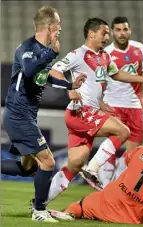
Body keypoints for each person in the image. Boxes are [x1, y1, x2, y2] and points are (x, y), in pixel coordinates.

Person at [45, 17, 143, 204]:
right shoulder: (79, 54)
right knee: (123, 130)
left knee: (75, 164)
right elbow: (54, 70)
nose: (107, 37)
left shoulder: (104, 56)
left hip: (88, 112)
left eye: (108, 33)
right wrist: (70, 88)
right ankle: (93, 169)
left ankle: (40, 203)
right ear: (91, 33)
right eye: (104, 32)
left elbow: (117, 74)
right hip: (81, 112)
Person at [1, 6, 86, 222]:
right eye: (58, 26)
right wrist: (52, 53)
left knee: (26, 167)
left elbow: (43, 76)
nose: (60, 30)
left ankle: (40, 208)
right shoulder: (28, 49)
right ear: (49, 26)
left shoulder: (41, 52)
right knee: (47, 162)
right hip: (18, 115)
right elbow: (30, 70)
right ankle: (39, 210)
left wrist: (69, 85)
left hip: (25, 116)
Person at [82, 16, 143, 188]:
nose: (122, 33)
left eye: (125, 29)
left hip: (134, 104)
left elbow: (140, 73)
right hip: (113, 104)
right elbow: (99, 81)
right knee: (112, 147)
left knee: (133, 153)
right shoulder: (106, 53)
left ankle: (114, 187)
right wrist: (100, 103)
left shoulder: (139, 48)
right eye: (118, 30)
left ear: (130, 30)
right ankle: (105, 188)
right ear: (112, 32)